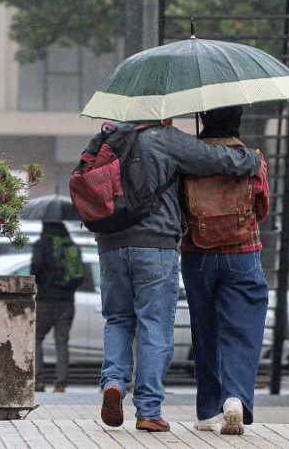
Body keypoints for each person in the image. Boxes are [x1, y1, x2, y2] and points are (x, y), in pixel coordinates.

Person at [96, 118, 262, 432]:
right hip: (155, 245)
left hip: (110, 245)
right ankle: (148, 411)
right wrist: (251, 159)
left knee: (118, 318)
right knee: (153, 325)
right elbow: (215, 159)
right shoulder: (166, 138)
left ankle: (113, 381)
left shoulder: (109, 138)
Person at [179, 106, 270, 435]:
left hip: (197, 253)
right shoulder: (251, 157)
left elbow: (179, 204)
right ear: (238, 122)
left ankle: (206, 412)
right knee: (242, 329)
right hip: (242, 253)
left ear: (204, 120)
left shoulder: (188, 157)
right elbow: (262, 206)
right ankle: (235, 398)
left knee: (205, 330)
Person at [30, 220, 83, 393]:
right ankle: (60, 384)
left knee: (36, 338)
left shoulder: (41, 245)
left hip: (45, 300)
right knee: (62, 342)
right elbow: (80, 276)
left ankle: (38, 381)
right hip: (67, 301)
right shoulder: (71, 246)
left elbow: (34, 270)